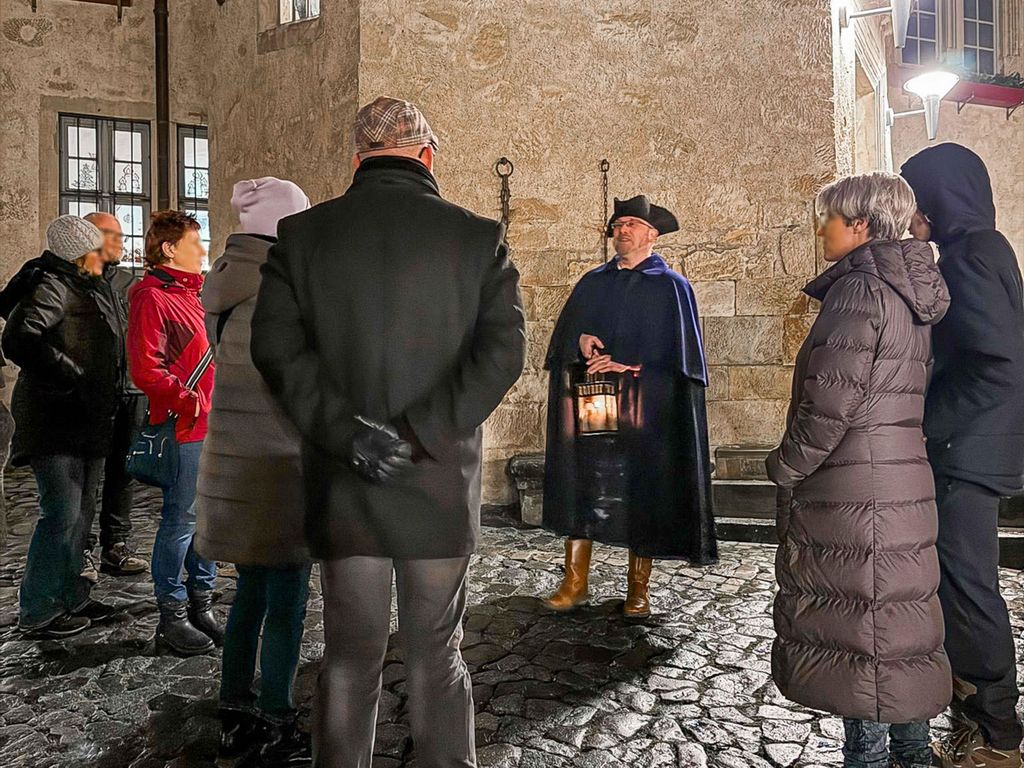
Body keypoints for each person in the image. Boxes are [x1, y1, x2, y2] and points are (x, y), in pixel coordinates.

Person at [251, 96, 525, 768]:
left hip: (346, 484)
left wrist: (351, 436)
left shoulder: (302, 236)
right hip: (436, 480)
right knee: (437, 656)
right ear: (428, 155)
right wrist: (419, 431)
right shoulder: (477, 237)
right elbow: (502, 354)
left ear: (357, 160)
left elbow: (277, 352)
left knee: (349, 658)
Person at [766, 173, 952, 768]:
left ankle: (868, 760)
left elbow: (830, 403)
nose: (821, 228)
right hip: (901, 480)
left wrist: (785, 465)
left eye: (830, 218)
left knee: (861, 638)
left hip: (855, 488)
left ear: (862, 224)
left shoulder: (859, 290)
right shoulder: (906, 291)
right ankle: (914, 754)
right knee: (896, 627)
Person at [901, 143, 1024, 768]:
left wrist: (930, 425)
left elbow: (994, 361)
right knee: (961, 582)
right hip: (972, 444)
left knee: (969, 587)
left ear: (938, 200)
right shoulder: (980, 248)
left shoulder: (971, 255)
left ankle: (997, 736)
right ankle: (977, 715)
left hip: (965, 448)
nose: (910, 217)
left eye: (916, 202)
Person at [541, 195, 716, 619]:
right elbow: (563, 341)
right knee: (583, 485)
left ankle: (638, 590)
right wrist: (580, 341)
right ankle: (574, 583)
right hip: (593, 408)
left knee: (643, 491)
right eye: (618, 225)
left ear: (652, 234)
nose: (622, 231)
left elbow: (683, 361)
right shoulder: (592, 283)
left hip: (646, 412)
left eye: (632, 224)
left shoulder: (671, 287)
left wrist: (630, 364)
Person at [196, 178, 313, 767]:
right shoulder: (278, 290)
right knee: (287, 598)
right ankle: (276, 717)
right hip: (277, 467)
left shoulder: (226, 279)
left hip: (233, 464)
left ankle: (235, 708)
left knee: (249, 594)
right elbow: (293, 384)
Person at [3, 215, 124, 638]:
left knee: (82, 513)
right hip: (54, 419)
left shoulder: (86, 284)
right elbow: (19, 339)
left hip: (86, 416)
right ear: (79, 253)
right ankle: (38, 609)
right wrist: (70, 373)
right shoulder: (52, 285)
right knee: (61, 514)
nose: (103, 255)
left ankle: (73, 595)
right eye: (96, 248)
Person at [128, 210, 220, 657]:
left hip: (213, 425)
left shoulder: (198, 295)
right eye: (194, 242)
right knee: (181, 520)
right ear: (169, 248)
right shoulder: (152, 297)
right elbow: (146, 367)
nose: (202, 250)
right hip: (186, 428)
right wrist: (188, 400)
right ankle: (173, 613)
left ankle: (203, 603)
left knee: (209, 519)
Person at [79, 211, 148, 578]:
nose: (121, 242)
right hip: (93, 393)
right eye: (112, 234)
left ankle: (115, 545)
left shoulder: (128, 283)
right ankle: (81, 549)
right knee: (86, 476)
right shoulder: (75, 279)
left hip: (132, 390)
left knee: (124, 470)